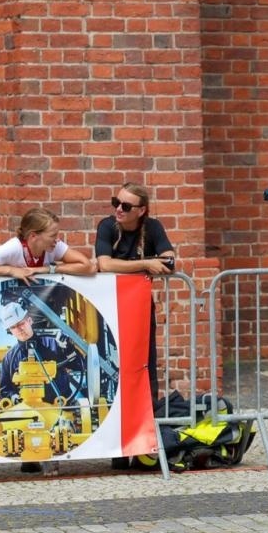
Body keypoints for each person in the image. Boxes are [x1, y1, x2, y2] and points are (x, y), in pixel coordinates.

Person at [94, 182, 176, 425]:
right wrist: (145, 264)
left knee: (145, 362)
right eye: (115, 202)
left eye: (126, 206)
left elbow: (170, 260)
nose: (119, 209)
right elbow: (105, 264)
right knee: (113, 362)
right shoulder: (107, 226)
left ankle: (146, 428)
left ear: (141, 210)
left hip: (139, 308)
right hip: (109, 306)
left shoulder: (152, 227)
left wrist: (147, 263)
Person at [0, 208, 97, 280]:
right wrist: (10, 270)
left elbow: (89, 268)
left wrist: (50, 269)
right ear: (33, 236)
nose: (57, 239)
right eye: (52, 235)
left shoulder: (54, 245)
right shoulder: (14, 247)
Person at [0, 300, 86, 405]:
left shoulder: (53, 344)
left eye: (21, 323)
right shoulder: (9, 358)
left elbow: (80, 366)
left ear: (29, 320)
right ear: (10, 330)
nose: (19, 329)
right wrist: (13, 397)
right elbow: (5, 389)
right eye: (13, 327)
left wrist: (69, 348)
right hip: (28, 413)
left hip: (61, 408)